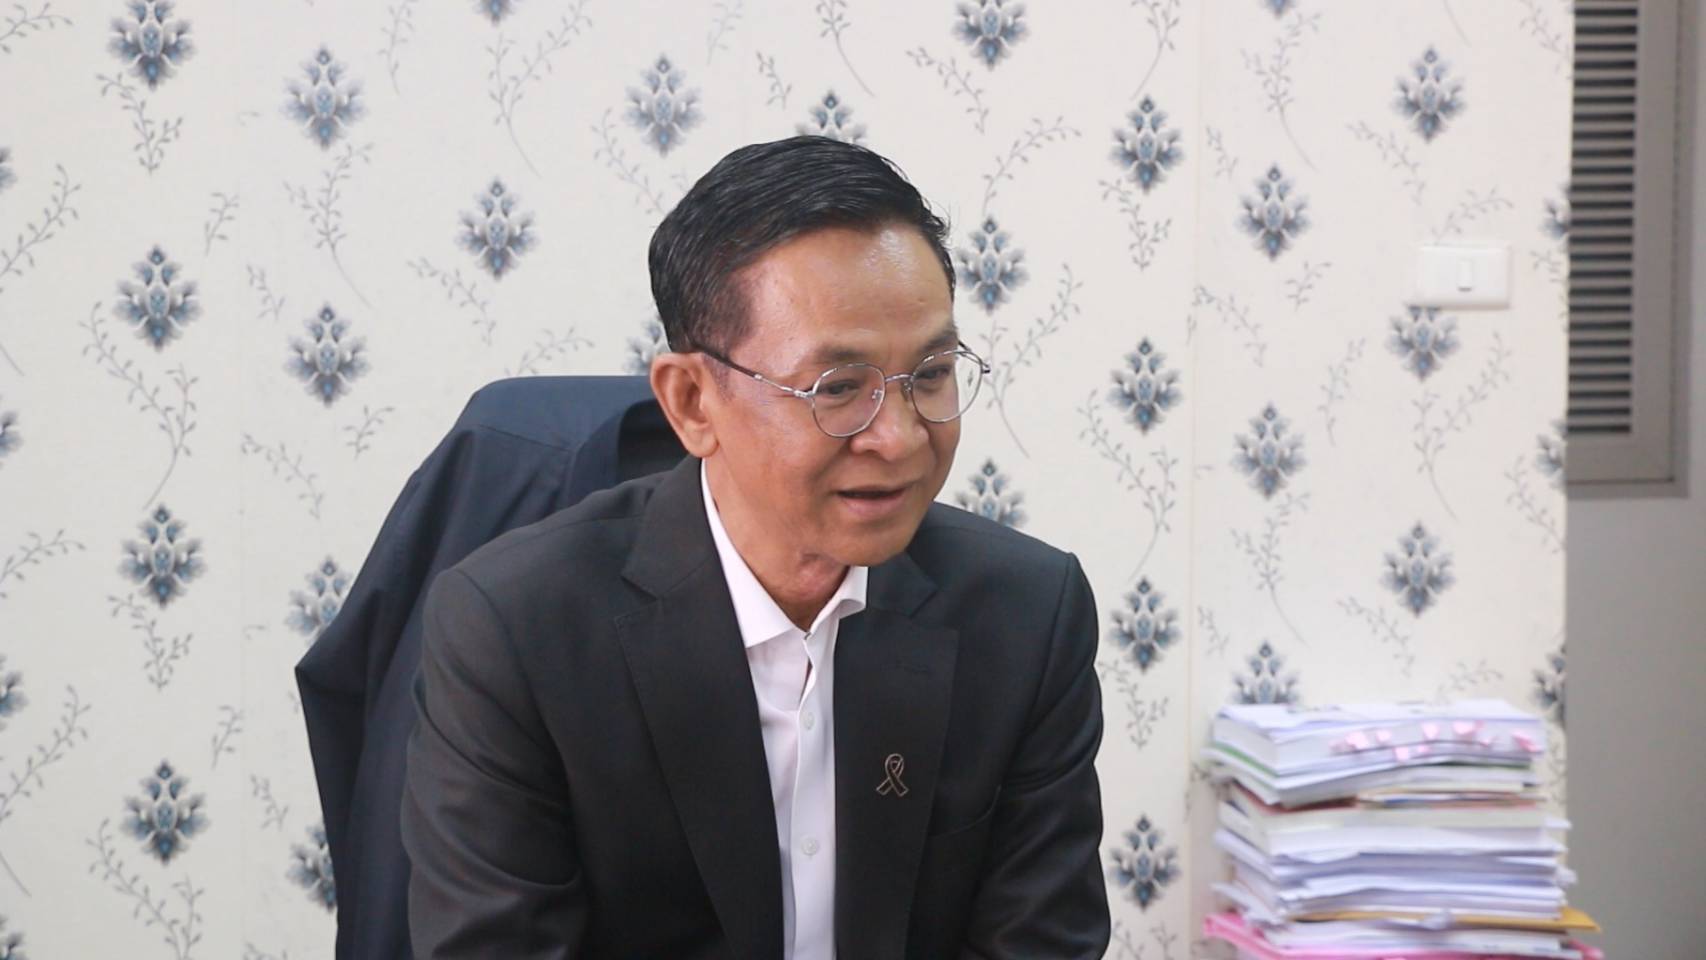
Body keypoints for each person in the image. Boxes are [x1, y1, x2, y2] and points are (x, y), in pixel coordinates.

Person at [399, 135, 1110, 959]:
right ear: (692, 402)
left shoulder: (1028, 616)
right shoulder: (514, 632)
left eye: (929, 374)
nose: (898, 437)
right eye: (838, 388)